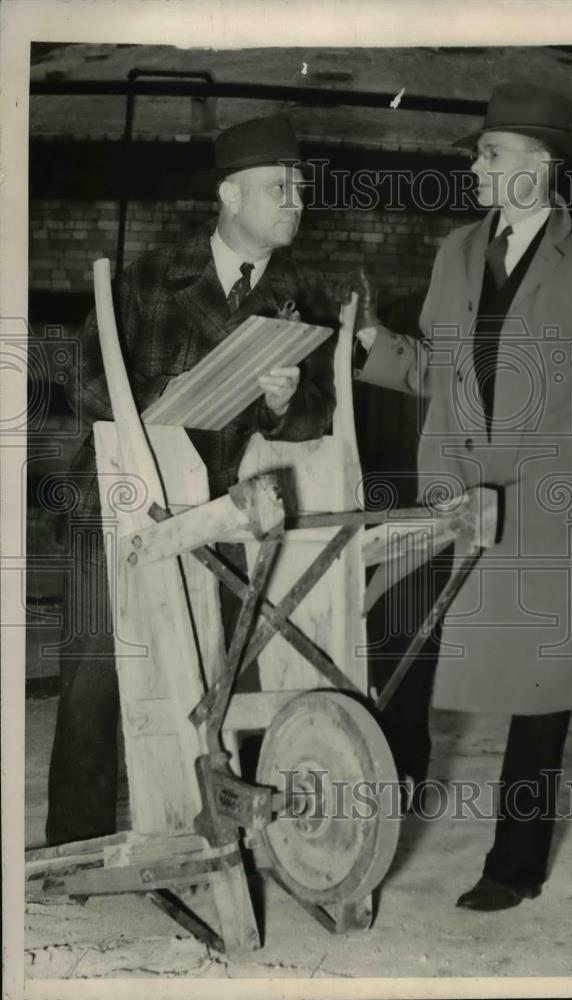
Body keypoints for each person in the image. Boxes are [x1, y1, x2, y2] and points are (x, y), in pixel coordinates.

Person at [354, 83, 572, 910]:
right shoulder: (454, 252)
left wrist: (557, 475)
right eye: (478, 153)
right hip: (453, 495)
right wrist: (374, 346)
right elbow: (435, 371)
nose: (474, 166)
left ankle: (514, 867)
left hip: (551, 510)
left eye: (489, 153)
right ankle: (395, 782)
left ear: (540, 166)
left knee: (538, 690)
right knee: (395, 629)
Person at [46, 116, 340, 846]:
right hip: (111, 506)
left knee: (205, 677)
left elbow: (314, 416)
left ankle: (197, 830)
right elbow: (80, 381)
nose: (295, 200)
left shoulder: (297, 297)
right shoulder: (149, 277)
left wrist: (281, 401)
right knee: (95, 683)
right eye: (279, 187)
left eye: (299, 186)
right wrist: (163, 405)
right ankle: (74, 848)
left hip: (212, 516)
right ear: (229, 195)